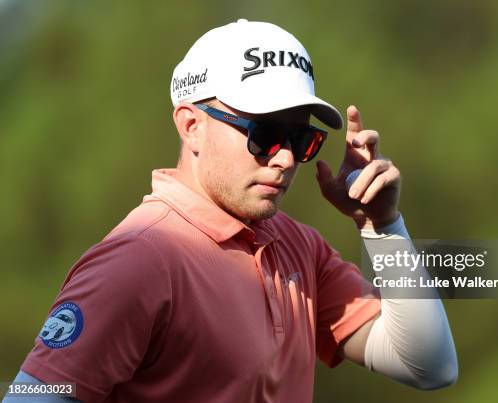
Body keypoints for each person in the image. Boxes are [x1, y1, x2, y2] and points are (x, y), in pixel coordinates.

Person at [4, 19, 457, 403]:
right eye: (264, 133)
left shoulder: (298, 248)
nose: (283, 158)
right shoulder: (137, 261)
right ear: (192, 126)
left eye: (301, 140)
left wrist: (382, 226)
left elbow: (428, 365)